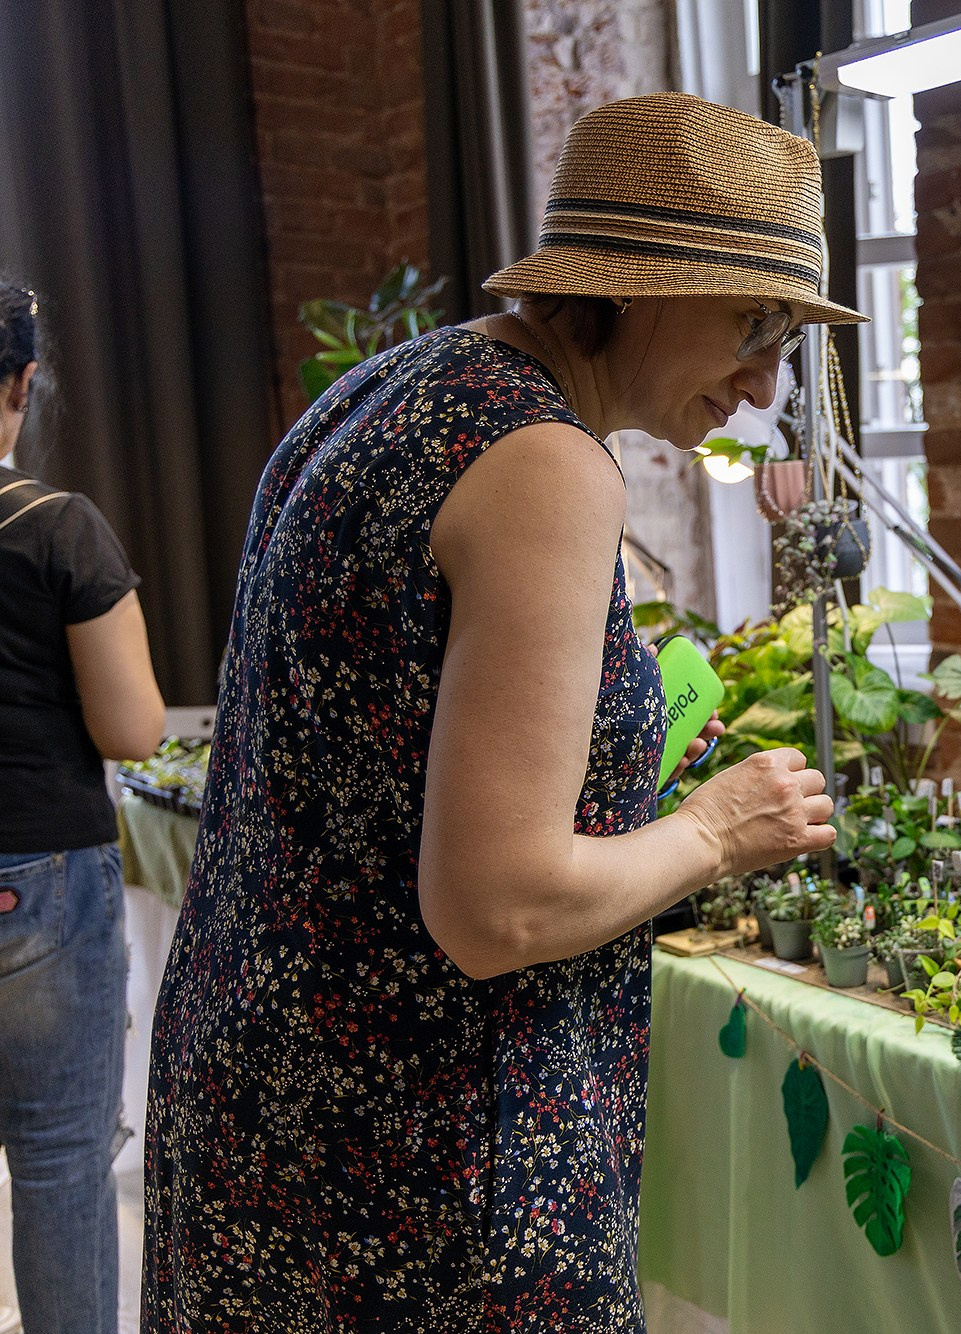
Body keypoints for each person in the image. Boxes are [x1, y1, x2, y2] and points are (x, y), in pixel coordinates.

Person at [142, 94, 857, 1327]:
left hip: (266, 1101)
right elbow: (496, 905)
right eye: (751, 323)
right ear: (635, 285)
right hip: (419, 1167)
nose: (761, 382)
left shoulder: (394, 388)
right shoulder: (545, 462)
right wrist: (715, 831)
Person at [0, 280, 165, 1331]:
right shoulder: (58, 529)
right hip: (42, 879)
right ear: (20, 384)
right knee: (60, 1163)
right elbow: (133, 728)